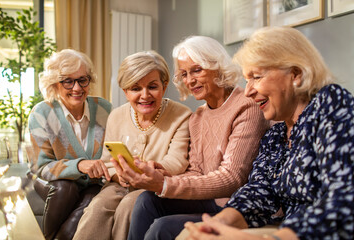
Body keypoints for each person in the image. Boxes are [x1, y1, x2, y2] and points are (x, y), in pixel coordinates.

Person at [182, 26, 354, 240]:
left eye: (256, 77)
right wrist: (218, 223)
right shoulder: (276, 134)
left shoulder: (331, 104)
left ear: (295, 74)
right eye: (247, 80)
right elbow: (260, 191)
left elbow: (344, 199)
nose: (247, 91)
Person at [117, 36, 270, 240]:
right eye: (184, 74)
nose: (190, 80)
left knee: (162, 227)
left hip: (234, 206)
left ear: (217, 66)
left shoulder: (246, 106)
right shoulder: (198, 117)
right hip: (209, 200)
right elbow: (196, 170)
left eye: (197, 70)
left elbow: (232, 178)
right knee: (146, 199)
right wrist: (162, 177)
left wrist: (164, 184)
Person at [73, 50, 192, 240]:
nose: (145, 95)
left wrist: (152, 171)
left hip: (153, 187)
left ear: (164, 85)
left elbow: (177, 161)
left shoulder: (182, 115)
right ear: (125, 91)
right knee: (97, 208)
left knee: (129, 205)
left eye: (152, 86)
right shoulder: (117, 116)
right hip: (119, 184)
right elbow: (108, 161)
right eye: (136, 89)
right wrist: (118, 175)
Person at [28, 49, 113, 240]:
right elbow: (41, 167)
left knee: (93, 198)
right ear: (54, 84)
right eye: (68, 81)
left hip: (93, 182)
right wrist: (80, 165)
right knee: (67, 189)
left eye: (83, 80)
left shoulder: (104, 109)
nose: (77, 88)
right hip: (53, 181)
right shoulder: (41, 113)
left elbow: (112, 153)